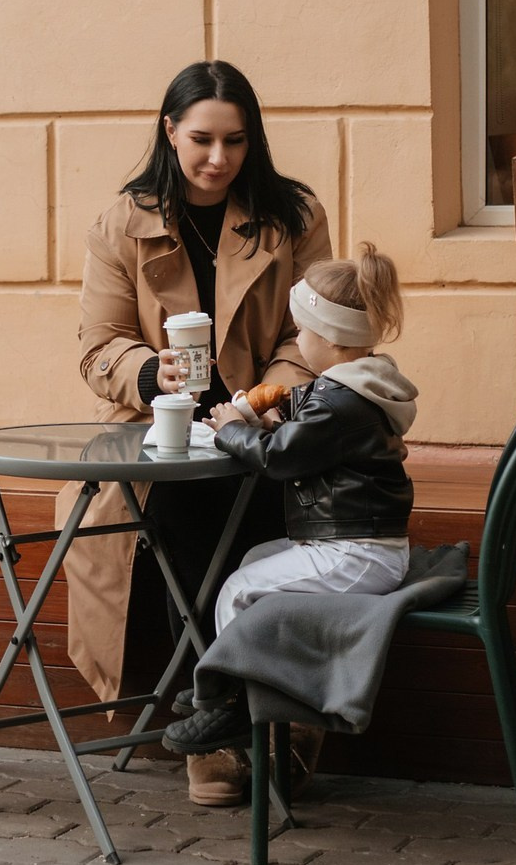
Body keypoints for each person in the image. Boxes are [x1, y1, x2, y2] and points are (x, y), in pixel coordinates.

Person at [66, 59, 333, 807]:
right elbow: (98, 347)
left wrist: (262, 399)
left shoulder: (294, 217)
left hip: (268, 426)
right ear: (169, 132)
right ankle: (215, 725)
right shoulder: (121, 224)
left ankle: (280, 716)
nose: (219, 158)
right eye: (202, 140)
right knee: (183, 516)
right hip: (163, 438)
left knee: (281, 522)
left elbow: (311, 334)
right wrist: (151, 375)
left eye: (236, 141)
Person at [161, 241, 418, 758]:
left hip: (356, 552)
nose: (297, 342)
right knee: (256, 559)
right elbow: (311, 435)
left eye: (302, 331)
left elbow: (280, 458)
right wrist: (273, 416)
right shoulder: (355, 387)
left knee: (239, 588)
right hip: (362, 544)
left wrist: (232, 429)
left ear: (332, 338)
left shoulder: (340, 402)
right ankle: (228, 680)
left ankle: (235, 705)